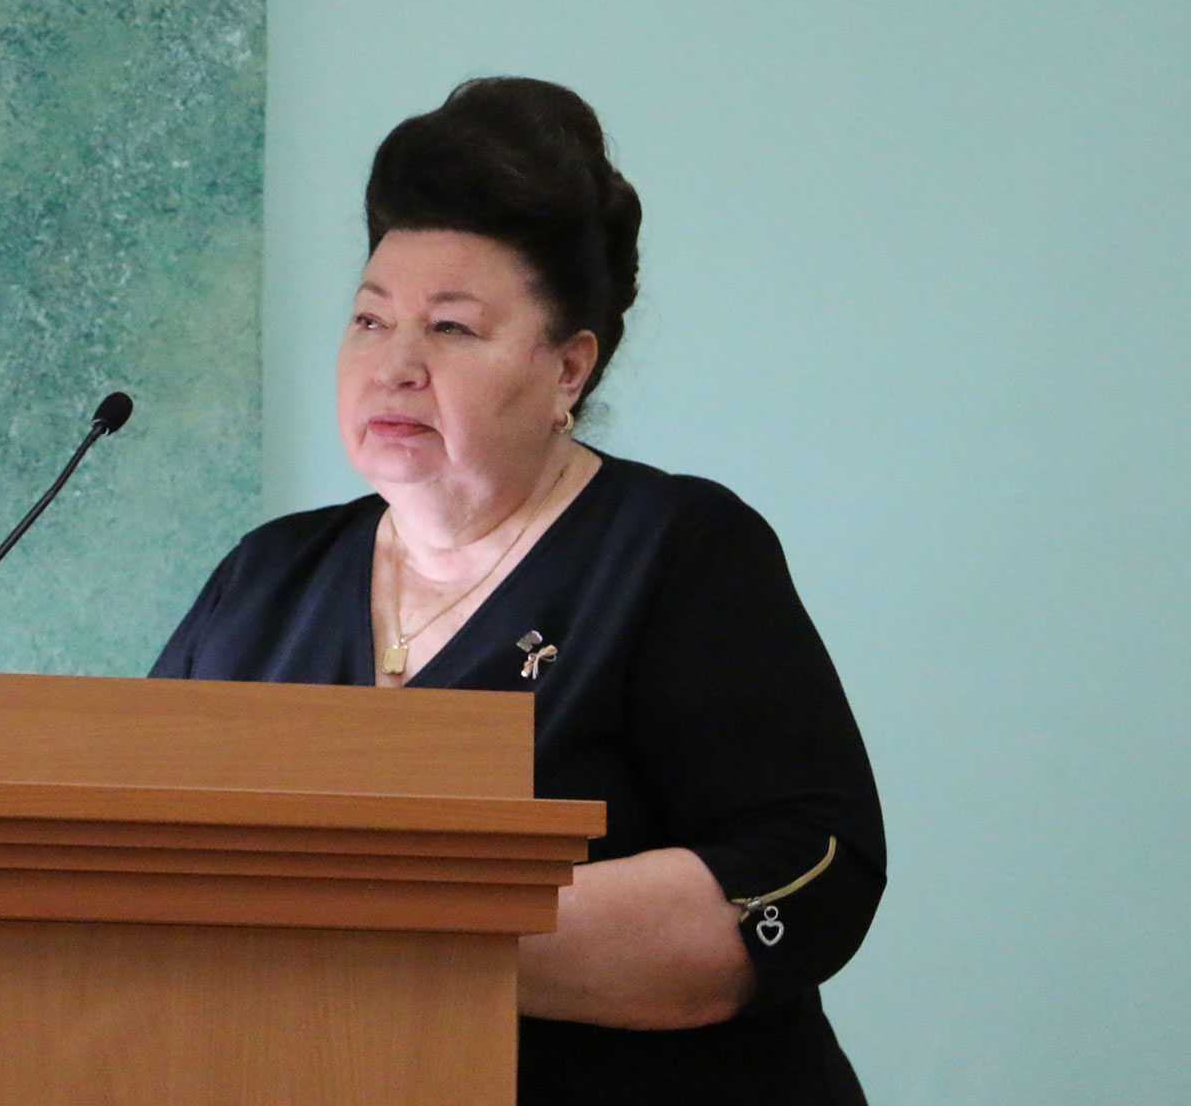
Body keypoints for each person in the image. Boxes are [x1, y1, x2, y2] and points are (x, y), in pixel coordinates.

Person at [151, 77, 885, 1104]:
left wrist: (397, 933)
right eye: (369, 320)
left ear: (567, 369)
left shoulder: (674, 551)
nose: (394, 365)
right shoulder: (267, 578)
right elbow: (137, 854)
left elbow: (809, 872)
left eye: (451, 329)